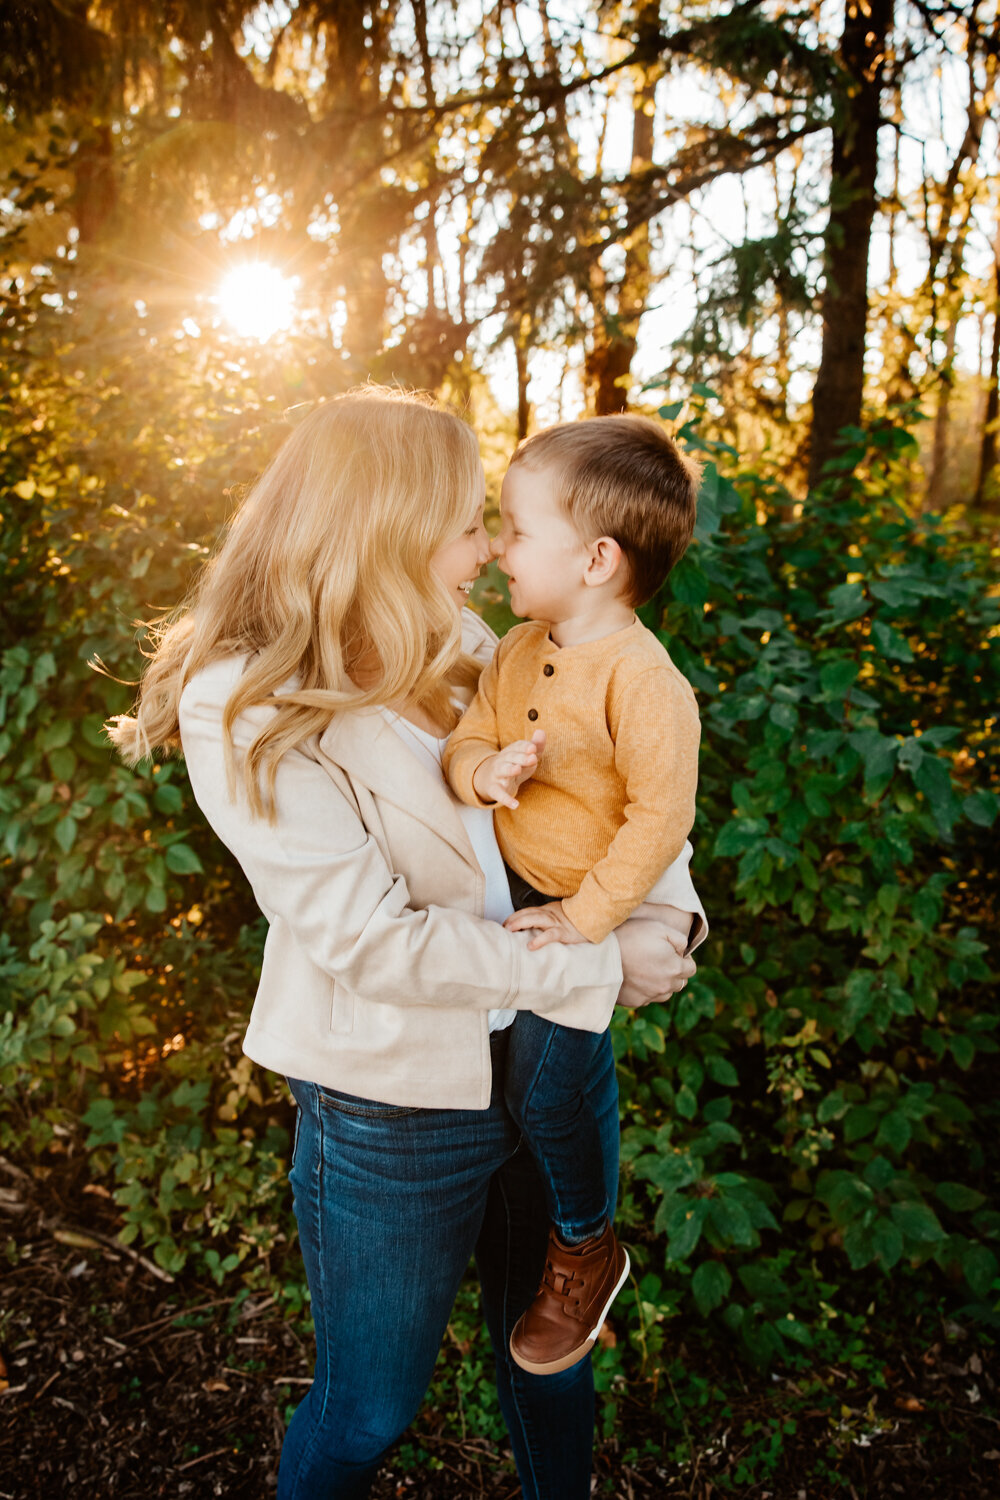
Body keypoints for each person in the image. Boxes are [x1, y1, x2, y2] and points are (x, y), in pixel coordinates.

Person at [106, 387, 704, 1500]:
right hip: (393, 1111)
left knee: (552, 1358)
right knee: (371, 1408)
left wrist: (667, 911)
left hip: (544, 1055)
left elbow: (618, 775)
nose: (487, 544)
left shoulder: (469, 634)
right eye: (469, 519)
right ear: (385, 519)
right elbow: (371, 942)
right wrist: (598, 960)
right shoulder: (241, 699)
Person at [443, 415, 702, 1377]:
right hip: (513, 897)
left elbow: (660, 819)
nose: (500, 546)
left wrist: (592, 924)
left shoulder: (644, 681)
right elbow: (467, 739)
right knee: (513, 1089)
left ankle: (587, 1244)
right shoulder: (514, 648)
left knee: (544, 1088)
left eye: (515, 527)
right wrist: (485, 774)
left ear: (595, 559)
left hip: (584, 909)